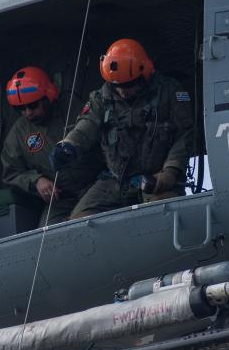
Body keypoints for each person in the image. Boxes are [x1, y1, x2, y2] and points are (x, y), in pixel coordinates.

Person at [50, 39, 194, 218]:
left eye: (128, 85)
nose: (123, 91)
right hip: (114, 181)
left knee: (165, 215)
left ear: (144, 74)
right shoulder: (101, 98)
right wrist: (69, 144)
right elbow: (87, 124)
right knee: (78, 222)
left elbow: (185, 134)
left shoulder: (169, 92)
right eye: (117, 86)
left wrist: (171, 172)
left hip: (156, 179)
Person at [1, 66, 103, 225]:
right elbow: (11, 172)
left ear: (47, 97)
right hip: (61, 199)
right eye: (21, 108)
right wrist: (36, 180)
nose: (28, 112)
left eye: (33, 106)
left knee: (85, 219)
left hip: (95, 184)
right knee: (47, 233)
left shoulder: (73, 107)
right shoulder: (18, 134)